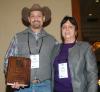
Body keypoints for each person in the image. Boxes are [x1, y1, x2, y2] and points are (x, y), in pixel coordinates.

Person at [4, 4, 57, 92]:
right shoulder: (17, 37)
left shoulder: (52, 40)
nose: (36, 18)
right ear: (29, 19)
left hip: (46, 87)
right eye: (32, 16)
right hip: (22, 88)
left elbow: (58, 64)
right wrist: (12, 80)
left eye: (39, 16)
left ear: (43, 18)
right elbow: (7, 61)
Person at [51, 16, 98, 92]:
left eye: (70, 27)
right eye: (64, 27)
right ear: (61, 30)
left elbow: (92, 75)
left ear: (76, 31)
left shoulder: (85, 47)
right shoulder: (55, 49)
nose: (67, 29)